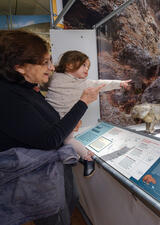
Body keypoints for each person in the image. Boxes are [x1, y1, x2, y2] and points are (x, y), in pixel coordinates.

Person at [0, 30, 104, 225]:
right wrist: (82, 103)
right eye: (45, 62)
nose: (51, 68)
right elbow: (48, 139)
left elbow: (50, 122)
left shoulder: (26, 88)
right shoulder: (8, 97)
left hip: (49, 172)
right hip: (38, 182)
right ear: (20, 67)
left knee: (70, 199)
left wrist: (68, 124)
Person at [45, 50, 131, 176]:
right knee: (63, 142)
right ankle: (83, 157)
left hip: (64, 122)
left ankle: (87, 158)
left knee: (68, 140)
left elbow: (100, 83)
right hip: (49, 119)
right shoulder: (53, 77)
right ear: (69, 64)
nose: (87, 69)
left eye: (88, 67)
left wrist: (119, 84)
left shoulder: (82, 83)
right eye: (84, 65)